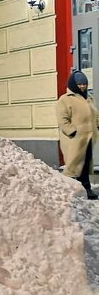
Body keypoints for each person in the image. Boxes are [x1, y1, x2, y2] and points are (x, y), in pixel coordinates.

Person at [56, 70, 99, 200]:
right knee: (73, 165)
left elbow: (95, 114)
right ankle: (68, 190)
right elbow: (62, 119)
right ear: (74, 84)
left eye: (84, 84)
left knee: (85, 164)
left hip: (89, 137)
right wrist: (72, 131)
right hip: (74, 139)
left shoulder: (89, 98)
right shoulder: (65, 99)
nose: (83, 86)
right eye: (80, 84)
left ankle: (86, 188)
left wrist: (97, 124)